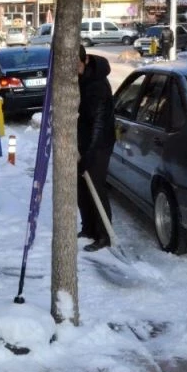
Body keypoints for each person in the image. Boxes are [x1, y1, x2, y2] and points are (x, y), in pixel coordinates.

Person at [76, 45, 116, 252]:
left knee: (96, 188)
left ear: (85, 61)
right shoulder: (80, 80)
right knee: (82, 187)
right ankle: (89, 228)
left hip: (99, 144)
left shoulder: (97, 85)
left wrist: (90, 154)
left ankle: (104, 235)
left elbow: (98, 124)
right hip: (83, 141)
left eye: (76, 64)